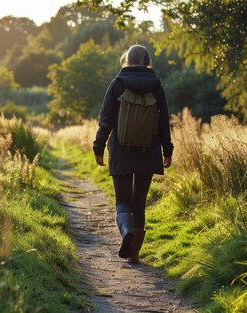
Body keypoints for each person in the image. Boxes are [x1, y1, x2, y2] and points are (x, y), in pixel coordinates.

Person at [93, 44, 173, 264]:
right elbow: (164, 122)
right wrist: (168, 151)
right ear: (147, 61)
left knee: (123, 201)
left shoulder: (117, 84)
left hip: (121, 151)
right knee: (139, 201)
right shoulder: (156, 85)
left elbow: (106, 120)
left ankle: (126, 230)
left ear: (127, 59)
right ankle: (134, 254)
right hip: (148, 152)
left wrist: (98, 148)